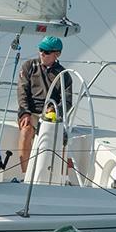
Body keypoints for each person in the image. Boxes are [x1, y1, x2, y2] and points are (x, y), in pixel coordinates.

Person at [16, 36, 72, 173]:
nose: (42, 53)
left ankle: (60, 176)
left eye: (46, 51)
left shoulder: (64, 75)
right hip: (30, 113)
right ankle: (26, 175)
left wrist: (55, 110)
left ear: (56, 54)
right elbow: (22, 91)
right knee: (26, 131)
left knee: (60, 142)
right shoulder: (29, 66)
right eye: (41, 49)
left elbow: (67, 101)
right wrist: (25, 112)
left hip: (51, 115)